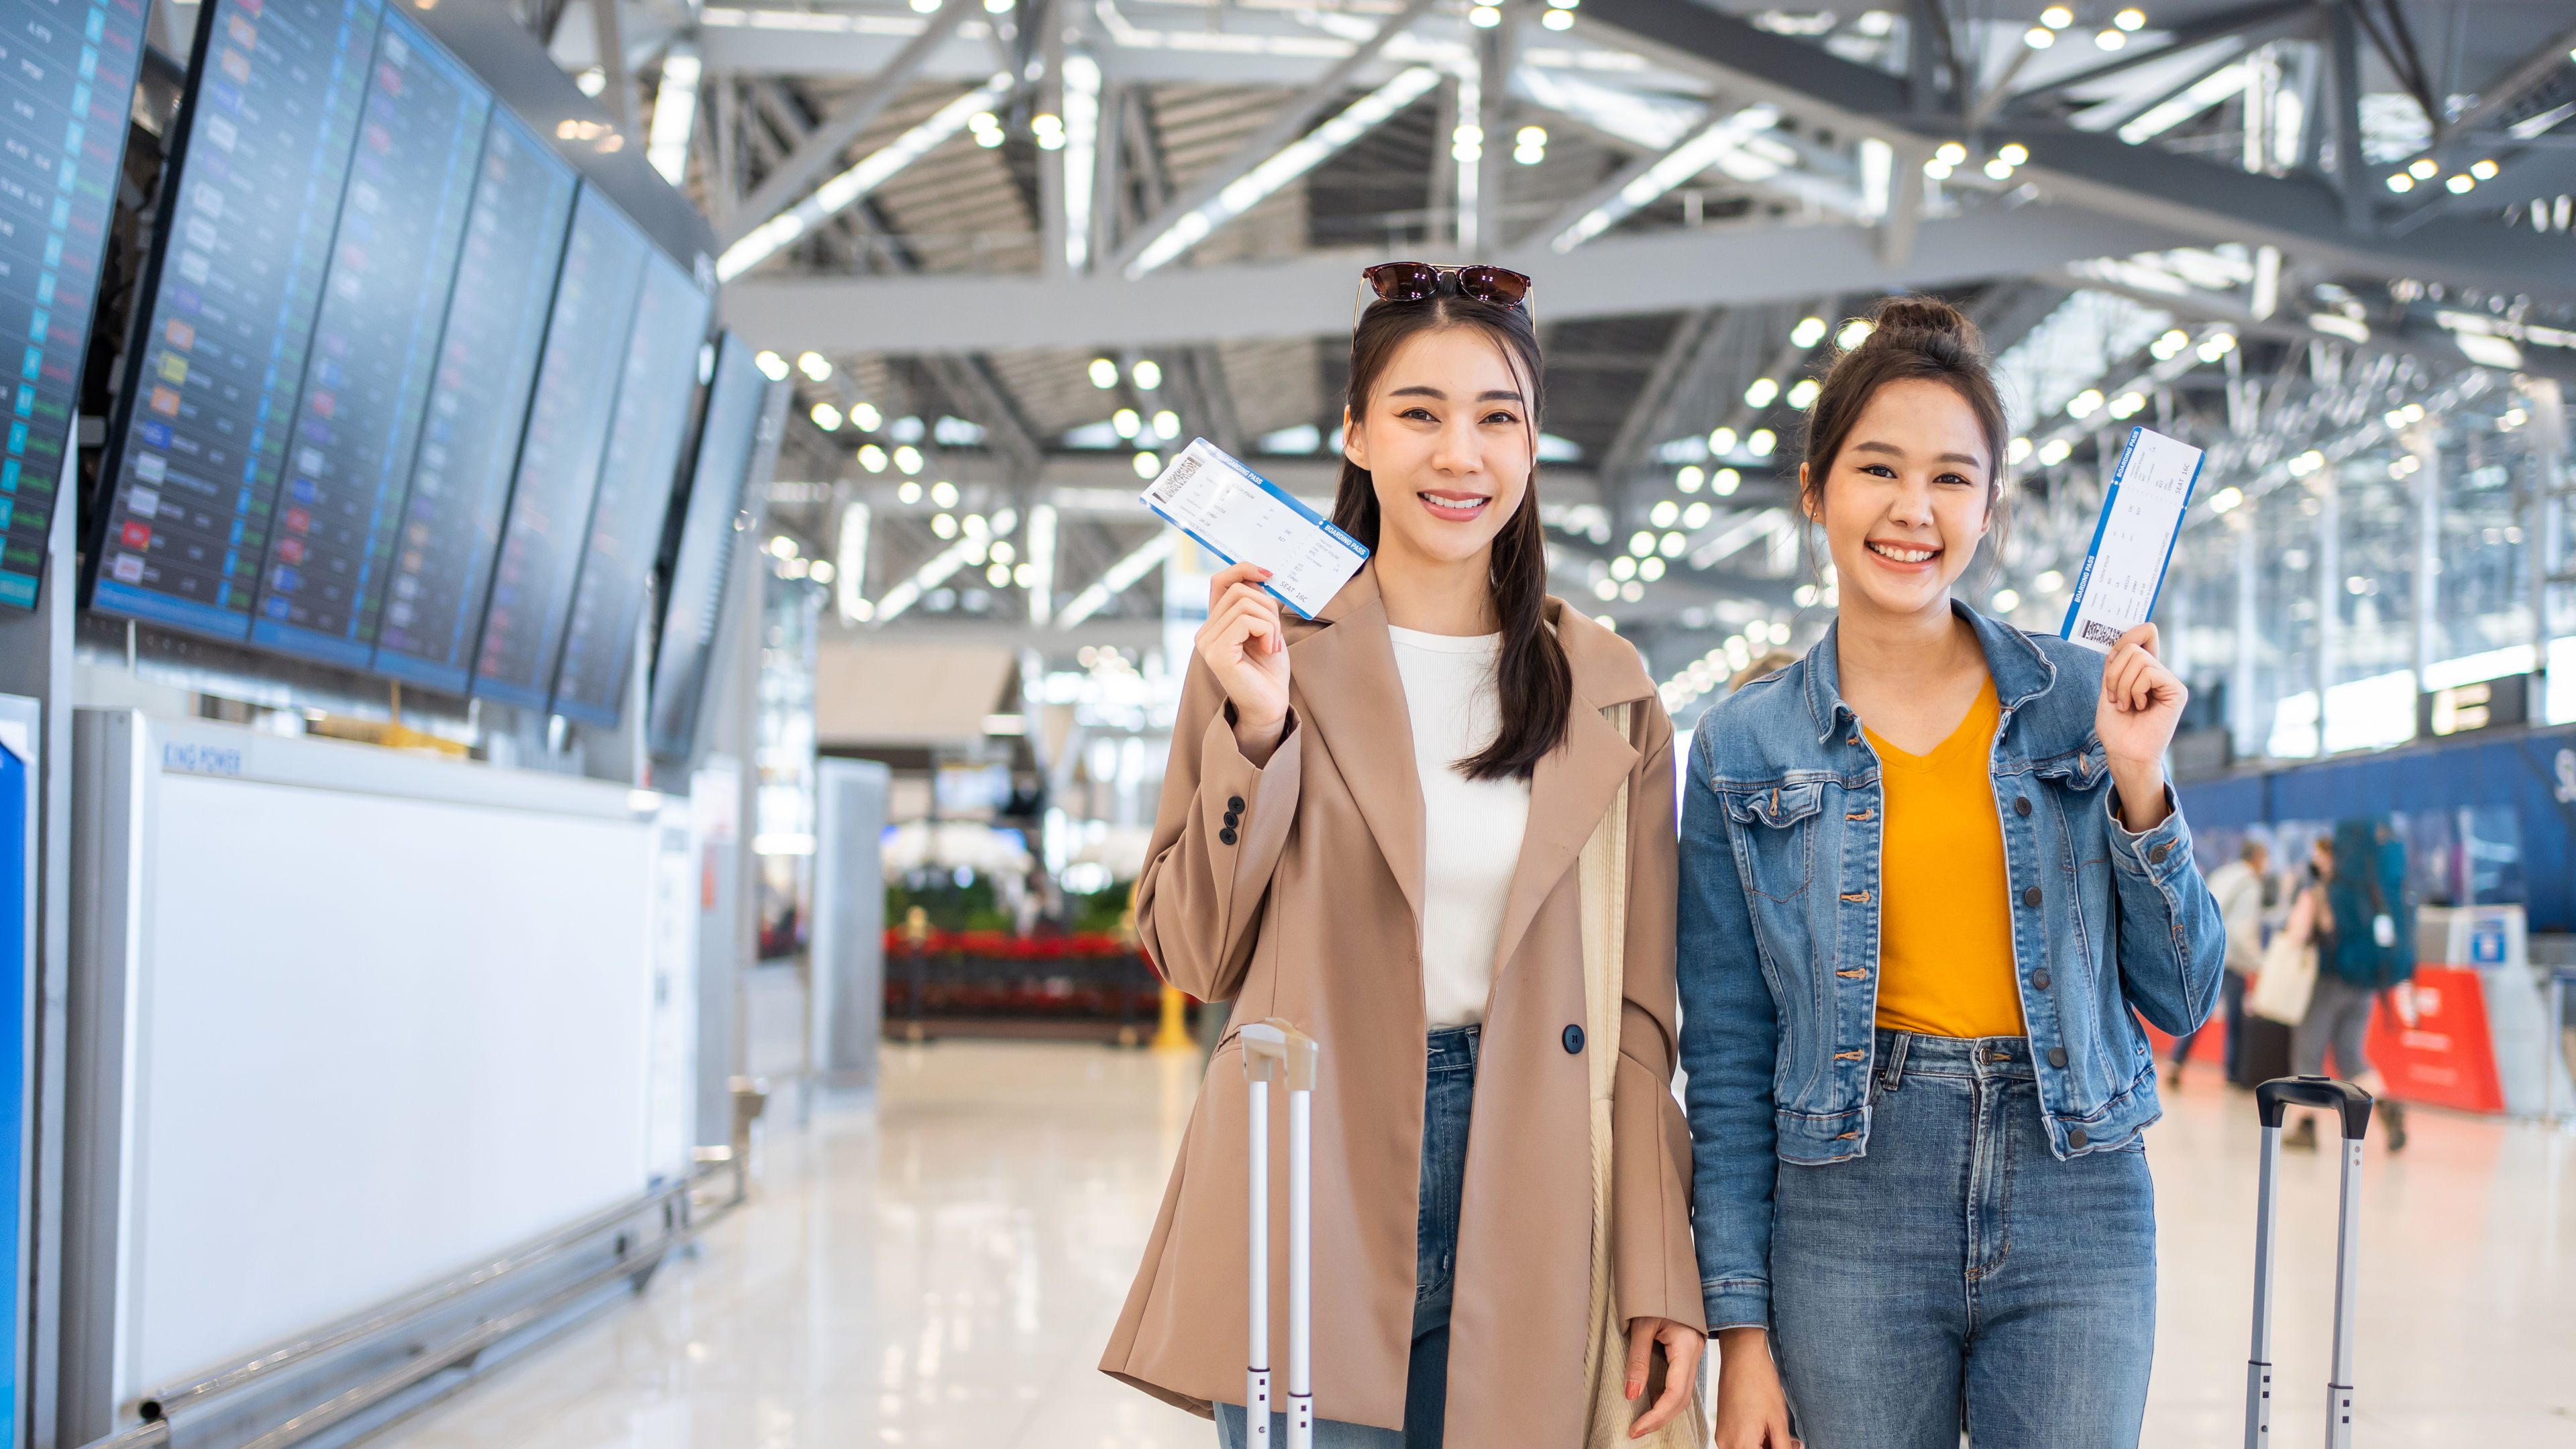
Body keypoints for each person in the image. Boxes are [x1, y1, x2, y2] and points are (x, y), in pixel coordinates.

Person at [1099, 263, 1706, 1447]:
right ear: (1357, 433)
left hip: (1535, 1169)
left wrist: (1660, 1270)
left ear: (1534, 447)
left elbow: (1638, 1021)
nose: (1459, 454)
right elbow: (1192, 951)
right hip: (1305, 1162)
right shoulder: (1268, 653)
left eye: (1497, 417)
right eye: (1420, 413)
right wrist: (1258, 732)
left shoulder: (1609, 691)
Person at [1674, 297, 2226, 1449]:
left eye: (1951, 479)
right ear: (1816, 489)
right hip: (1848, 1205)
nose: (1913, 511)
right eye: (1878, 469)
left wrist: (2138, 782)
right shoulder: (1743, 748)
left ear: (1992, 508)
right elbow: (1727, 1056)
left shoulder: (2083, 705)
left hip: (2078, 1186)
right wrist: (1741, 1335)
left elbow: (2182, 995)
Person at [2286, 818, 2413, 1151]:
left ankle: (2307, 1126)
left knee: (2309, 1053)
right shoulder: (2371, 892)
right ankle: (2388, 1108)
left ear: (2330, 857)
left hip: (2328, 981)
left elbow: (2298, 935)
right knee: (2350, 1055)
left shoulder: (2322, 891)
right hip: (2365, 983)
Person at [2174, 838, 2269, 1085]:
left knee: (2200, 1013)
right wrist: (2259, 963)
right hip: (2232, 959)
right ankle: (2233, 1074)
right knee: (2235, 1020)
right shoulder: (2250, 885)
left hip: (2208, 952)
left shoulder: (2224, 874)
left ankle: (2177, 1060)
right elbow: (2242, 932)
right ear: (2257, 858)